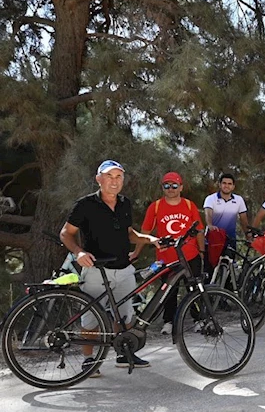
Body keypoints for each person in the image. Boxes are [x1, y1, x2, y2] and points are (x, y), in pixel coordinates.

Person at [60, 160, 162, 374]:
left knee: (125, 316)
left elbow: (130, 234)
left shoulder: (125, 203)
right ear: (99, 179)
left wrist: (149, 239)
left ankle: (123, 354)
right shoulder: (85, 205)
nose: (114, 181)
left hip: (124, 269)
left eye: (119, 177)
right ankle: (89, 360)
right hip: (97, 270)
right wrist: (78, 252)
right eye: (109, 176)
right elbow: (66, 234)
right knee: (90, 320)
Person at [137, 172, 205, 336]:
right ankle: (169, 322)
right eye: (166, 186)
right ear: (162, 188)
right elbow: (145, 231)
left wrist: (202, 251)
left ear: (181, 187)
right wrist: (136, 252)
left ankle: (199, 320)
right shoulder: (156, 206)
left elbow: (199, 230)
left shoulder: (189, 205)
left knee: (195, 288)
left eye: (174, 185)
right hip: (166, 258)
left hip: (190, 256)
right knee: (168, 291)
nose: (171, 189)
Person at [203, 173, 249, 248]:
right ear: (220, 185)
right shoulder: (210, 198)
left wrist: (248, 235)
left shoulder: (239, 200)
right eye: (224, 183)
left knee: (230, 259)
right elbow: (208, 214)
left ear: (233, 187)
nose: (226, 186)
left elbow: (244, 220)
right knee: (211, 259)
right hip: (213, 237)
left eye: (229, 184)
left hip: (230, 239)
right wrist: (210, 225)